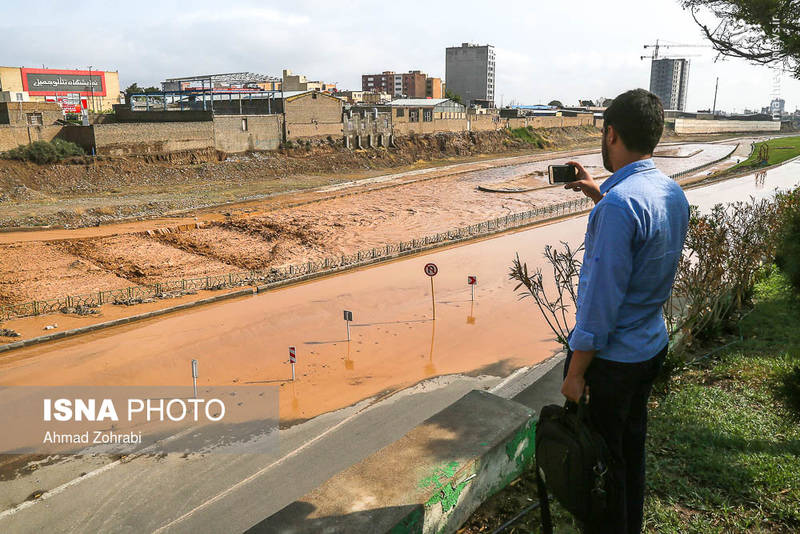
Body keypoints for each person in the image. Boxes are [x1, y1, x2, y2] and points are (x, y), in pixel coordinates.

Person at [561, 89, 689, 534]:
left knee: (601, 471)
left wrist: (576, 373)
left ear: (610, 133)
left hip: (612, 364)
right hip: (650, 348)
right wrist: (600, 194)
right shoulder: (671, 192)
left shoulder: (619, 207)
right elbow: (643, 246)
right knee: (629, 454)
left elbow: (599, 306)